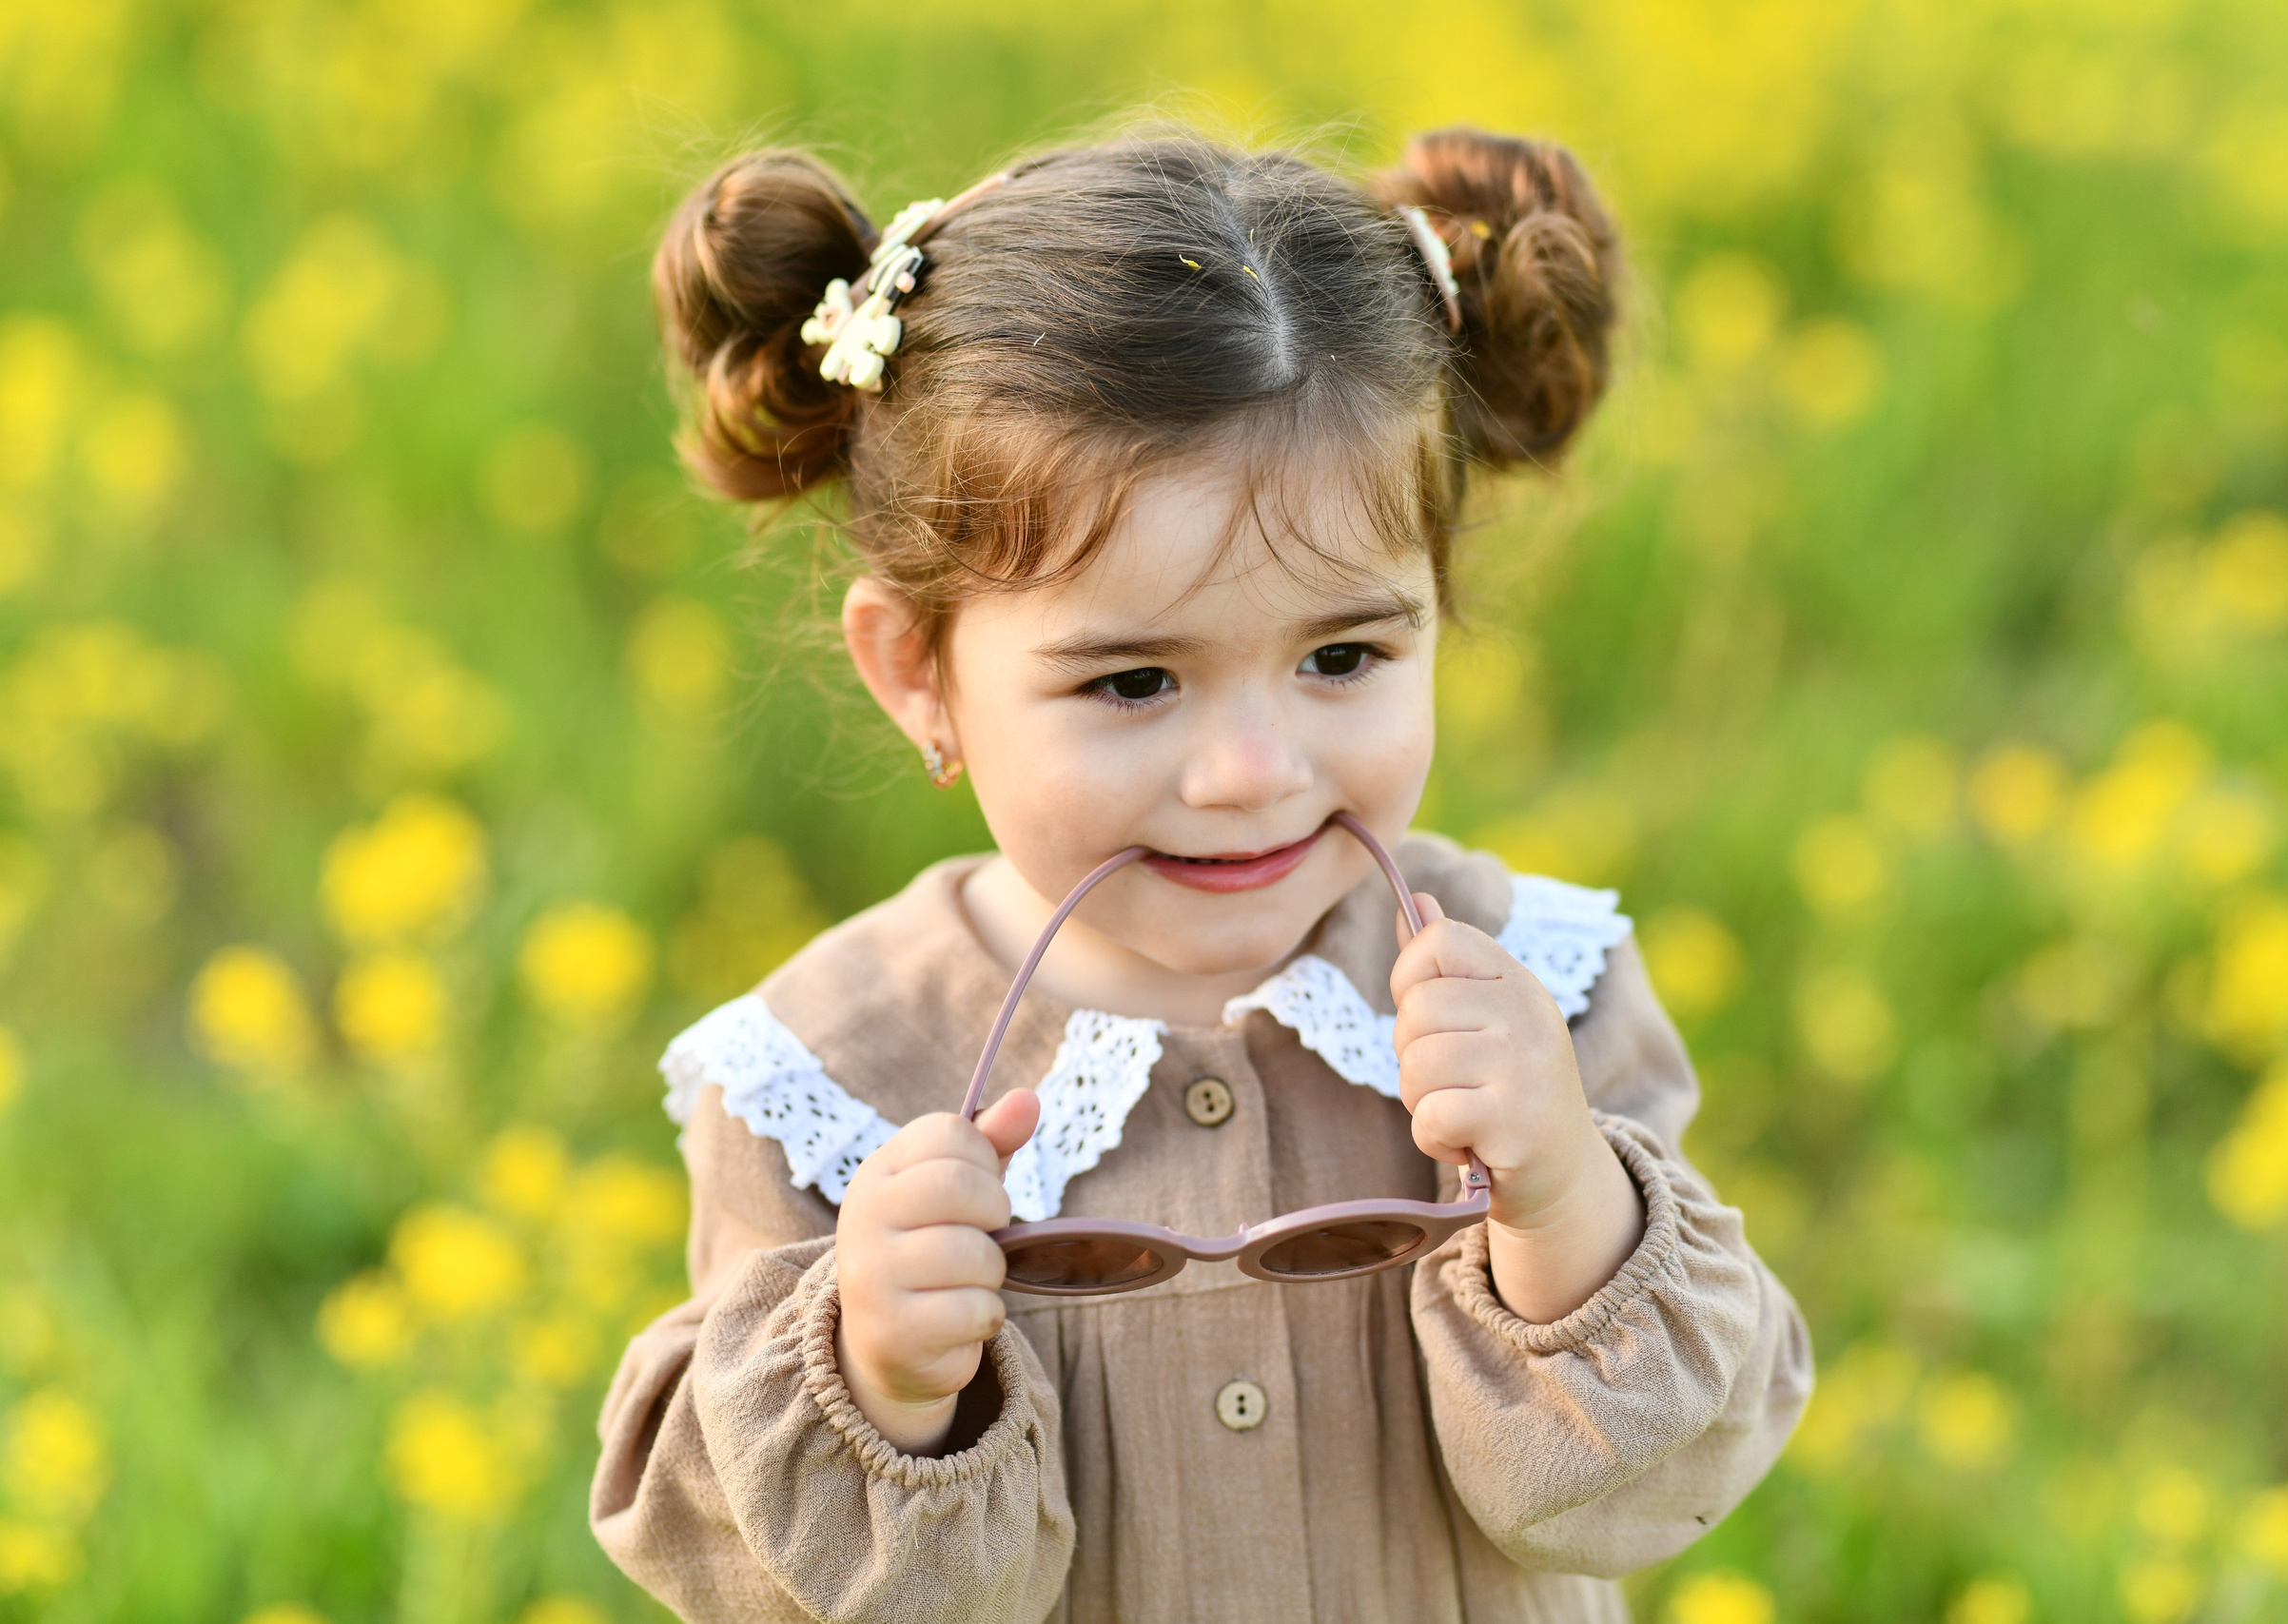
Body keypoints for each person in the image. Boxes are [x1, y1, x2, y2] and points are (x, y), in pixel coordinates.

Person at [592, 125, 1810, 1623]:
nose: (1250, 770)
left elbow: (1636, 1494)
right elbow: (769, 1585)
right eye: (1132, 683)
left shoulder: (1529, 985)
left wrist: (1559, 1197)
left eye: (1343, 656)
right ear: (919, 672)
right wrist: (881, 1377)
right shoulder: (828, 1079)